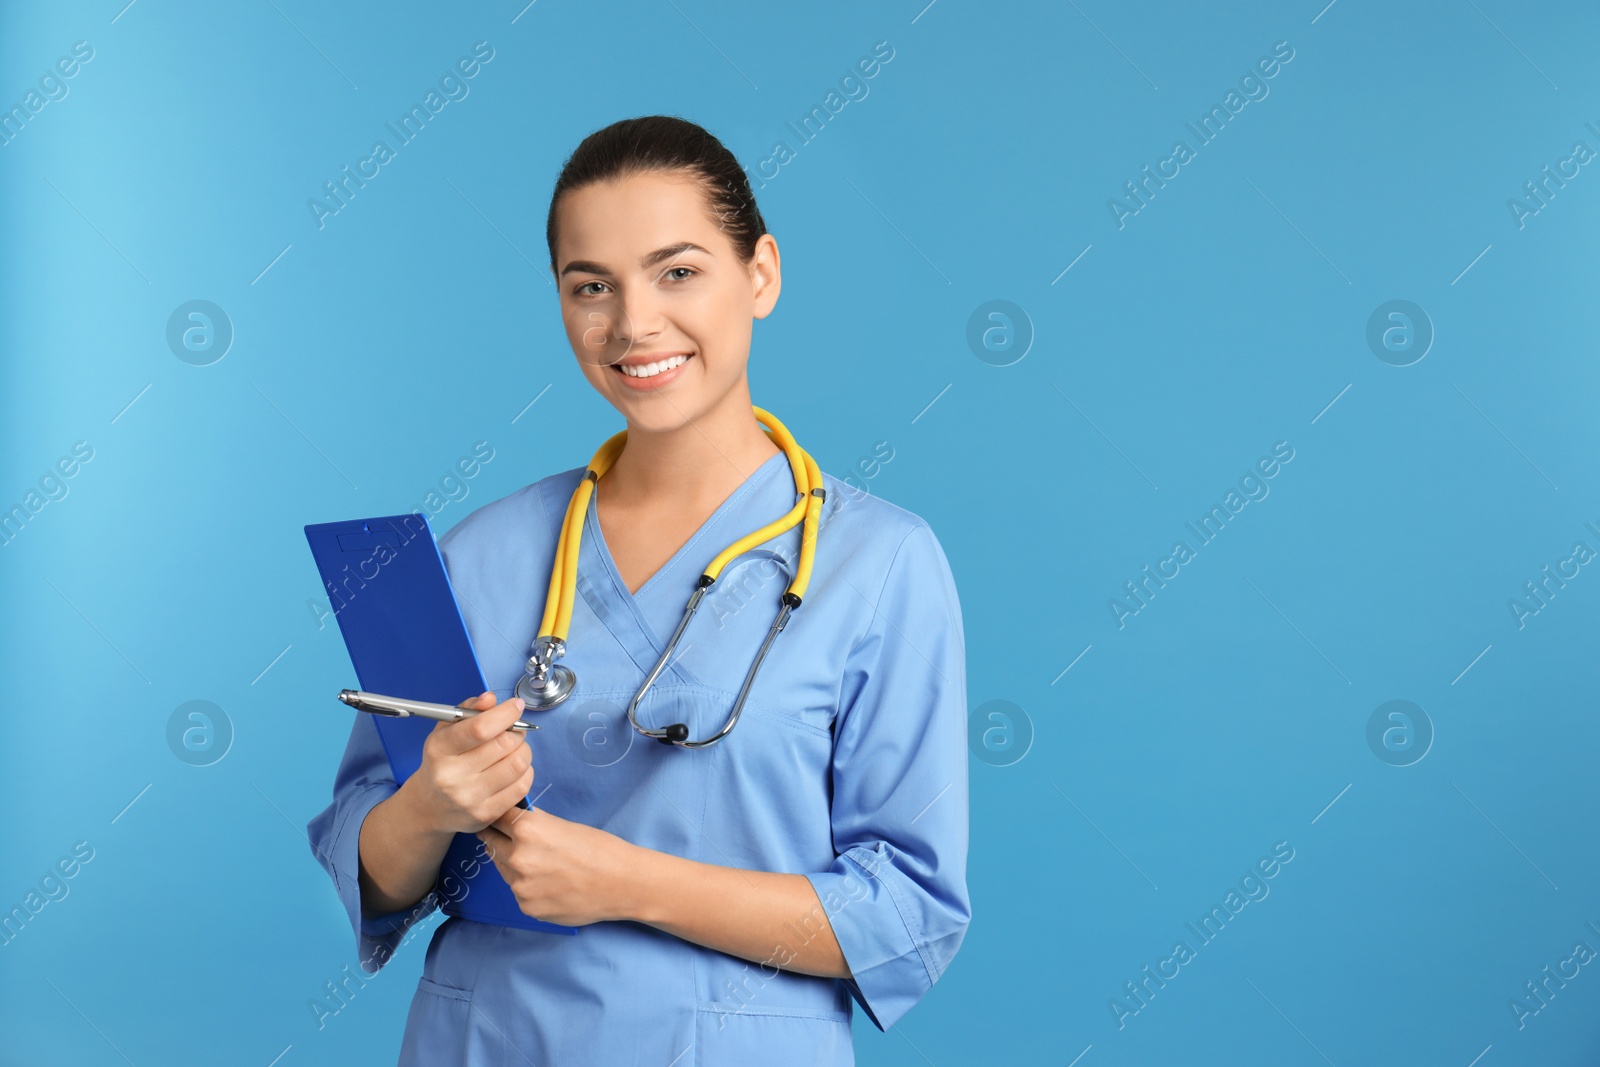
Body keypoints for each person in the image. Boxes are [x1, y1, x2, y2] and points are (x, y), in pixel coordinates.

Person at [306, 115, 970, 1065]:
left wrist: (631, 882)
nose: (634, 324)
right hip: (482, 1039)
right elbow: (370, 871)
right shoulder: (480, 554)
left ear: (762, 274)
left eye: (679, 271)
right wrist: (425, 807)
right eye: (592, 287)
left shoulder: (881, 564)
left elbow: (908, 914)